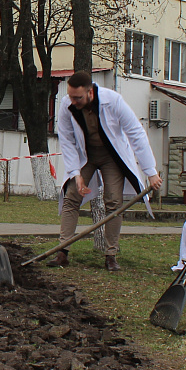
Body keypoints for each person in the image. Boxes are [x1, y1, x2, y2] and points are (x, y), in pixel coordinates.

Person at [50, 72, 163, 270]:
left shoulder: (113, 101)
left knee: (113, 202)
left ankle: (111, 255)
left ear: (90, 93)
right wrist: (76, 174)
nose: (73, 101)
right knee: (71, 197)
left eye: (78, 98)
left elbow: (136, 133)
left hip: (112, 157)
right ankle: (62, 252)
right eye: (71, 96)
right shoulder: (67, 105)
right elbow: (67, 140)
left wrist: (150, 171)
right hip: (87, 156)